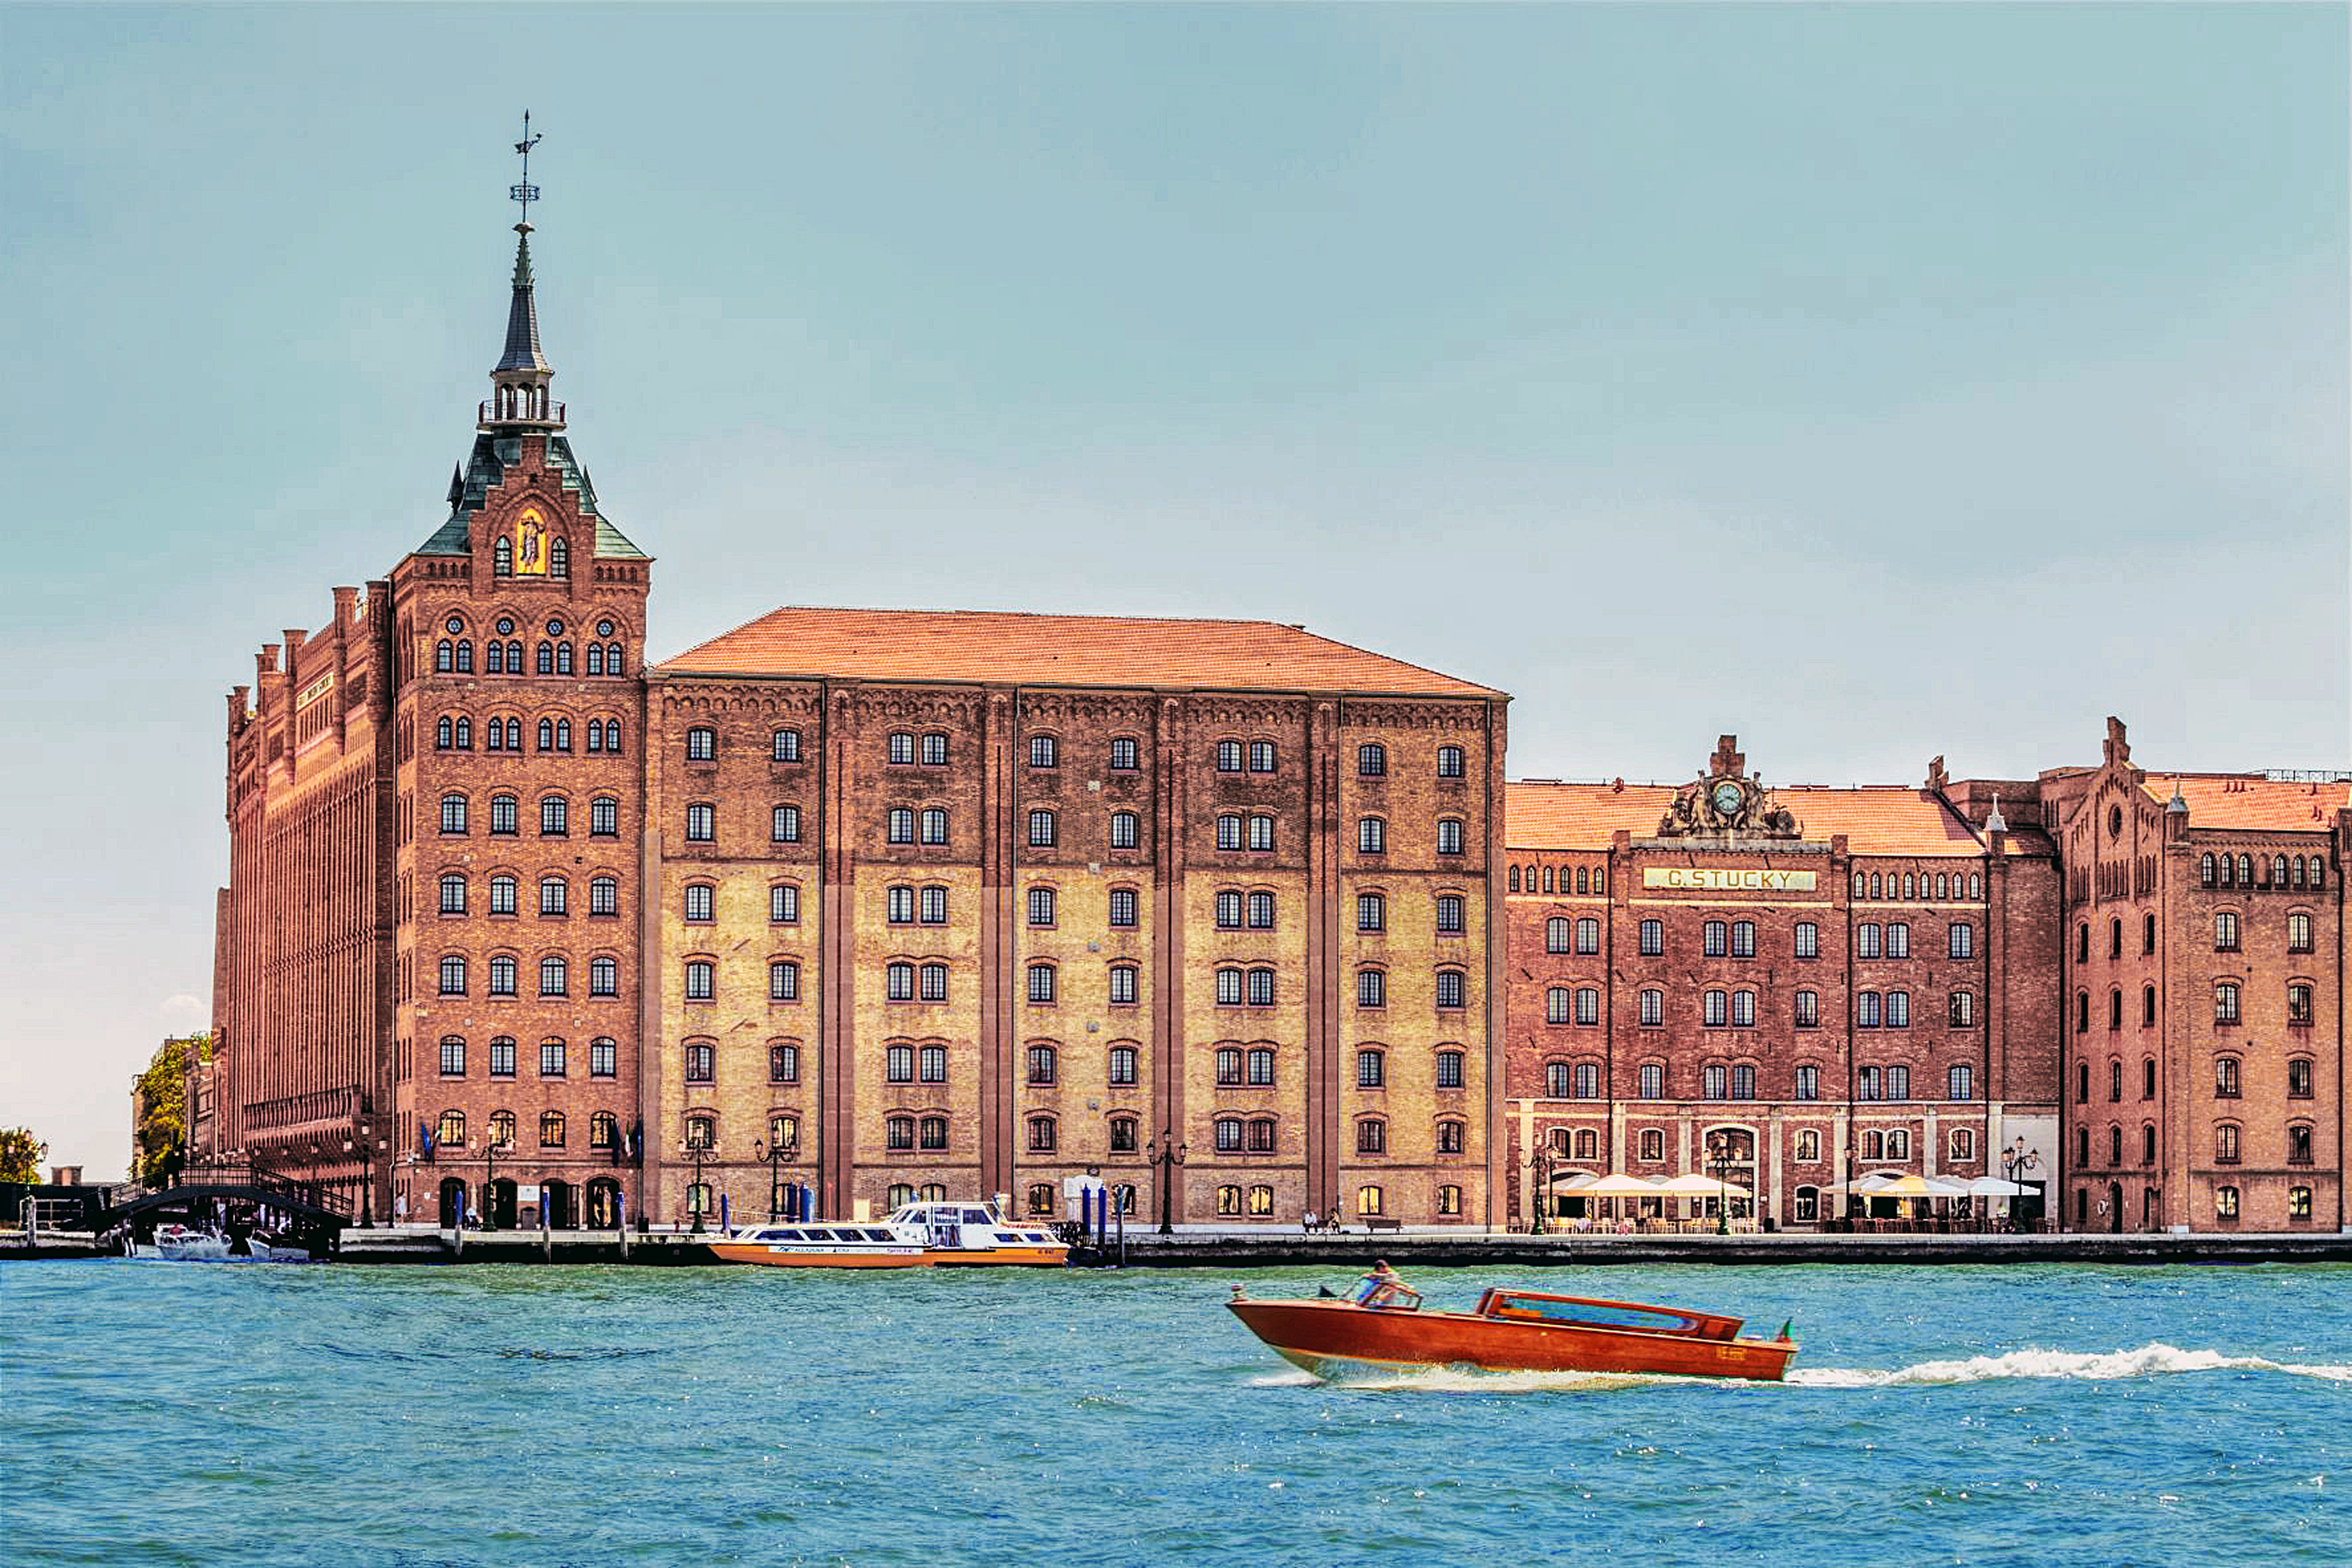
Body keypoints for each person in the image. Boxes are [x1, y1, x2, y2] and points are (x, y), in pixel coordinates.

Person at [1350, 1259, 1418, 1310]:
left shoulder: (1392, 1274)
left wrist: (1372, 1275)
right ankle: (1362, 1303)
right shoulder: (1385, 1275)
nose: (1377, 1272)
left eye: (1378, 1270)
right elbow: (1379, 1277)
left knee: (1389, 1289)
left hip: (1385, 1301)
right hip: (1379, 1300)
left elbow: (1388, 1277)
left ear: (1381, 1268)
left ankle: (1364, 1304)